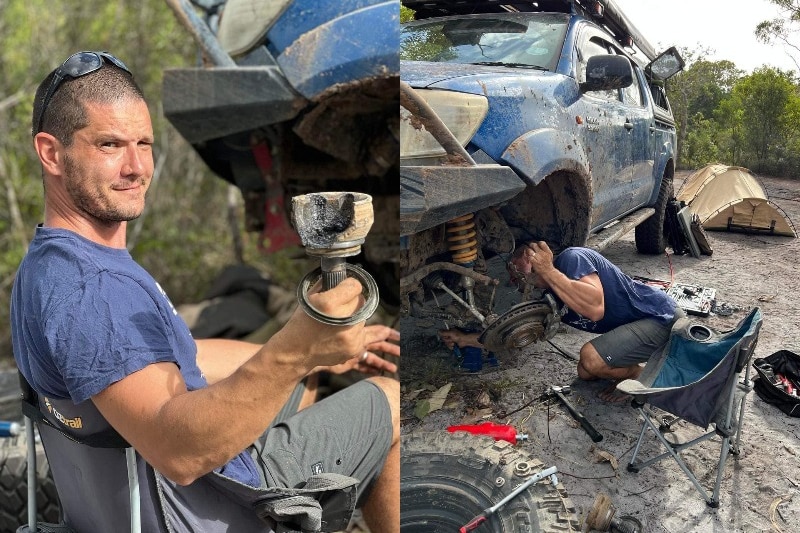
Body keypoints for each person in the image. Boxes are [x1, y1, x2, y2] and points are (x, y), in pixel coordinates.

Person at [11, 51, 399, 532]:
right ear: (51, 152)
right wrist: (296, 350)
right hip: (210, 506)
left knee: (304, 383)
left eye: (144, 144)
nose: (136, 167)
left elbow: (167, 359)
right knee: (388, 399)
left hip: (126, 510)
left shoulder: (48, 265)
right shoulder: (95, 289)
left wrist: (311, 356)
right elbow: (180, 452)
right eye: (109, 145)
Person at [440, 241, 683, 401]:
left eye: (515, 267)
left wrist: (547, 270)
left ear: (530, 254)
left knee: (590, 356)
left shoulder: (572, 258)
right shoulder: (551, 296)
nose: (513, 279)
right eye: (512, 277)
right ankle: (634, 365)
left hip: (661, 318)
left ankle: (640, 374)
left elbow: (595, 308)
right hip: (636, 328)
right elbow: (514, 335)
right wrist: (465, 339)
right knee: (586, 371)